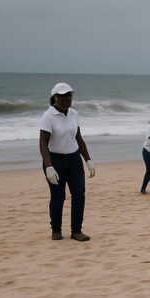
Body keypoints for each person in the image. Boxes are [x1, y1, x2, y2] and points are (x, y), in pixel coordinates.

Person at [39, 82, 95, 242]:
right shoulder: (48, 116)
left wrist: (88, 159)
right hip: (55, 160)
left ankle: (76, 231)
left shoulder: (74, 114)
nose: (67, 98)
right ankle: (56, 229)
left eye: (69, 95)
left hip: (74, 159)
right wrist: (49, 166)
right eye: (63, 95)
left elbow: (78, 137)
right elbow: (43, 143)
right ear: (54, 98)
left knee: (79, 195)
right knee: (58, 196)